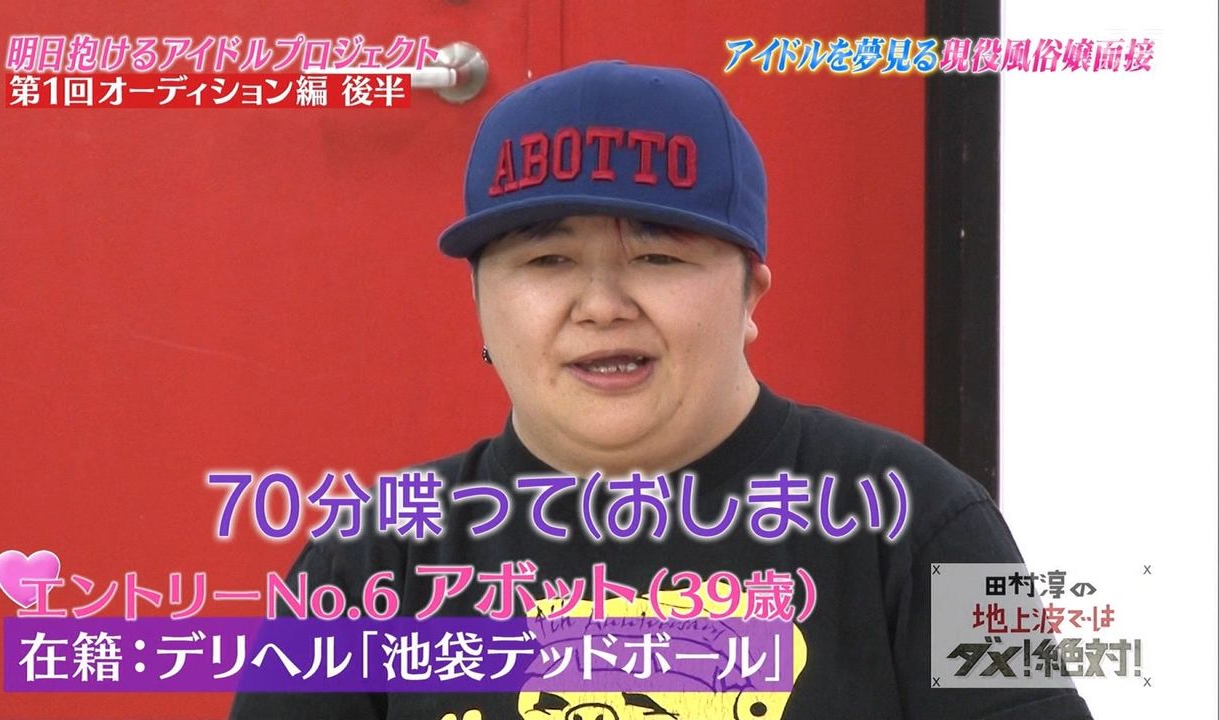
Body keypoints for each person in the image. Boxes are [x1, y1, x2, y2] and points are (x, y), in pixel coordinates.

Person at [231, 60, 1092, 719]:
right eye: (547, 260)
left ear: (751, 292)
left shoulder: (931, 521)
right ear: (480, 302)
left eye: (658, 256)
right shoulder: (368, 557)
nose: (602, 305)